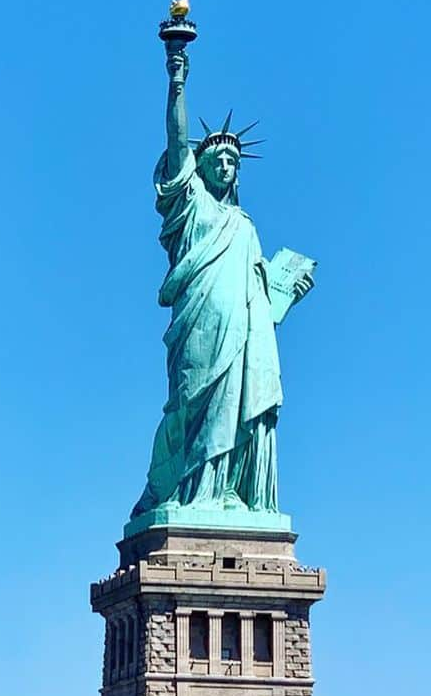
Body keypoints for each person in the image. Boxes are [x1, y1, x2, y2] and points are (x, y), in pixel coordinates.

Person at [130, 42, 314, 522]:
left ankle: (224, 492)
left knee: (235, 409)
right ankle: (186, 493)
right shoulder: (189, 204)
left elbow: (261, 301)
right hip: (198, 322)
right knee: (189, 405)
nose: (226, 165)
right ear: (202, 165)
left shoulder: (246, 227)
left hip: (242, 332)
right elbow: (176, 141)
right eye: (218, 158)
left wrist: (285, 292)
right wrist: (177, 82)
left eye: (234, 161)